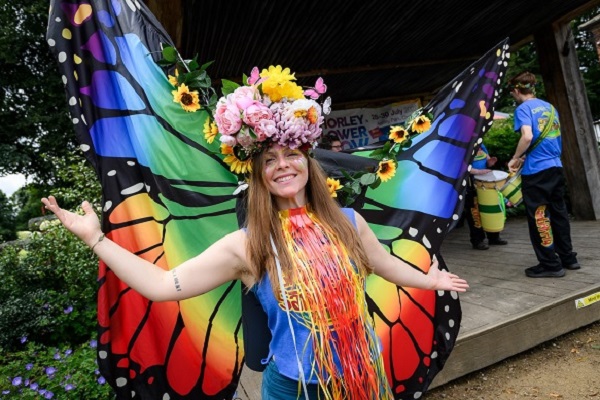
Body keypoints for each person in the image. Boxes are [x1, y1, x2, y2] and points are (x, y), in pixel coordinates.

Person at [42, 68, 468, 399]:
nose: (282, 165)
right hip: (294, 389)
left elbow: (383, 263)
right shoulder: (247, 245)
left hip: (364, 374)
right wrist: (96, 239)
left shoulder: (348, 222)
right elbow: (159, 286)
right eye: (269, 160)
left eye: (291, 155)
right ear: (258, 175)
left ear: (308, 163)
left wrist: (428, 279)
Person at [507, 71, 580, 278]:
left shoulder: (522, 108)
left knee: (539, 214)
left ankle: (550, 264)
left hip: (536, 171)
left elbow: (528, 136)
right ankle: (568, 258)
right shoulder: (549, 107)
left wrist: (515, 157)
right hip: (555, 167)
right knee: (558, 213)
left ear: (516, 90)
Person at [465, 143, 508, 250]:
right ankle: (477, 240)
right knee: (475, 212)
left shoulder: (481, 144)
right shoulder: (462, 145)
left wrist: (490, 162)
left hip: (485, 182)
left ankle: (494, 237)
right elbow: (461, 166)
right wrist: (478, 172)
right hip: (471, 184)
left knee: (491, 209)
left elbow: (487, 161)